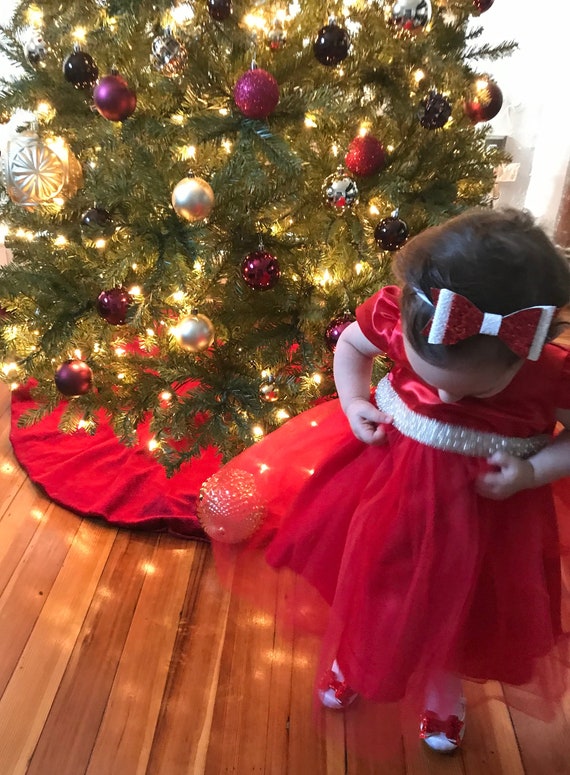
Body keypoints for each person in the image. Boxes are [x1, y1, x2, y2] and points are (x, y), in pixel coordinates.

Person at [204, 207, 570, 754]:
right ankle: (355, 656)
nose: (447, 397)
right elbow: (352, 346)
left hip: (485, 521)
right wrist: (354, 401)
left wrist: (533, 471)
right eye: (430, 376)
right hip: (388, 487)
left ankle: (442, 682)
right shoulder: (401, 317)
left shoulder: (550, 373)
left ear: (526, 349)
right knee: (371, 580)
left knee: (457, 608)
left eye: (475, 391)